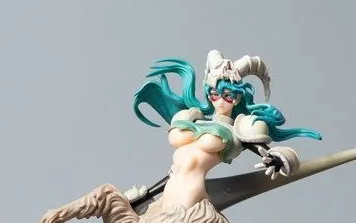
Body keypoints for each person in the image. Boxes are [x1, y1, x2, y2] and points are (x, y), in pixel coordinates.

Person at [133, 50, 322, 209]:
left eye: (228, 95)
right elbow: (180, 169)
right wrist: (146, 195)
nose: (220, 101)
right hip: (170, 189)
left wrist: (278, 159)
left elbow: (272, 154)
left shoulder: (241, 128)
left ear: (238, 98)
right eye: (214, 95)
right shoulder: (195, 118)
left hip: (192, 194)